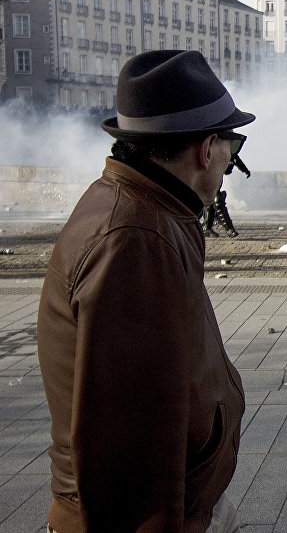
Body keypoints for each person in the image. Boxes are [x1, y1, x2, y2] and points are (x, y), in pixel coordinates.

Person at [36, 50, 249, 533]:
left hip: (188, 502)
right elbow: (128, 450)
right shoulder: (135, 239)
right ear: (206, 148)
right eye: (231, 152)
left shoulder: (149, 210)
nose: (227, 164)